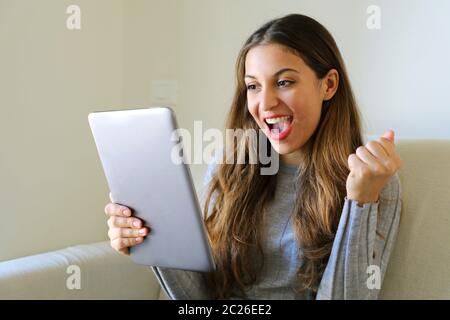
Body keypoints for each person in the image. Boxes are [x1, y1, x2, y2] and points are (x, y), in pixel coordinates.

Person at [104, 13, 402, 300]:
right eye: (253, 86)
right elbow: (199, 298)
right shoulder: (230, 166)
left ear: (329, 85)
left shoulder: (371, 181)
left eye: (284, 82)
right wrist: (152, 237)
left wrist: (360, 202)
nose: (266, 103)